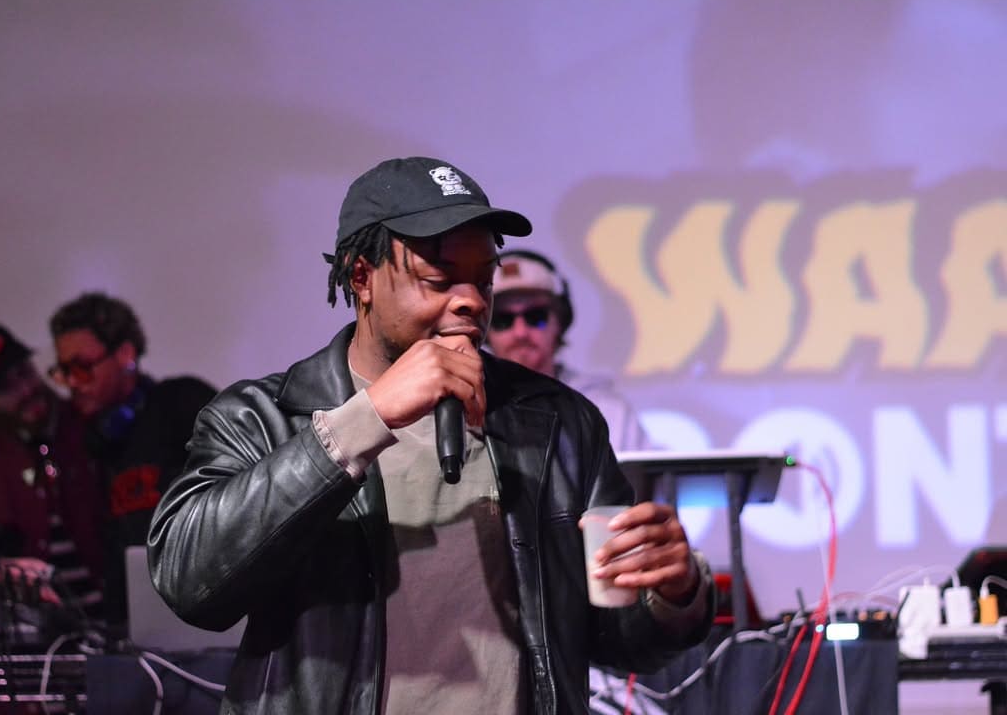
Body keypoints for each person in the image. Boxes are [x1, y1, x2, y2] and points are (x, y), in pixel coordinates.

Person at [148, 156, 713, 715]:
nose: (472, 300)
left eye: (484, 279)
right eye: (439, 279)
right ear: (361, 278)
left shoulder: (558, 422)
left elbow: (617, 642)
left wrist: (674, 591)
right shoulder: (265, 416)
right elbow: (191, 584)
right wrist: (365, 420)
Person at [48, 293, 216, 627]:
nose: (72, 383)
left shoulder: (181, 404)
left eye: (82, 368)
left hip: (204, 614)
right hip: (130, 627)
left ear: (125, 354)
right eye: (64, 371)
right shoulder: (86, 442)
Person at [0, 323, 104, 612]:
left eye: (24, 372)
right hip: (28, 630)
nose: (25, 390)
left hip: (116, 619)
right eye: (4, 388)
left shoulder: (91, 423)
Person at [486, 249, 650, 453]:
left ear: (561, 322)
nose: (520, 332)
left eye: (536, 317)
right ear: (484, 330)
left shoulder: (607, 411)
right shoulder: (467, 410)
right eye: (502, 320)